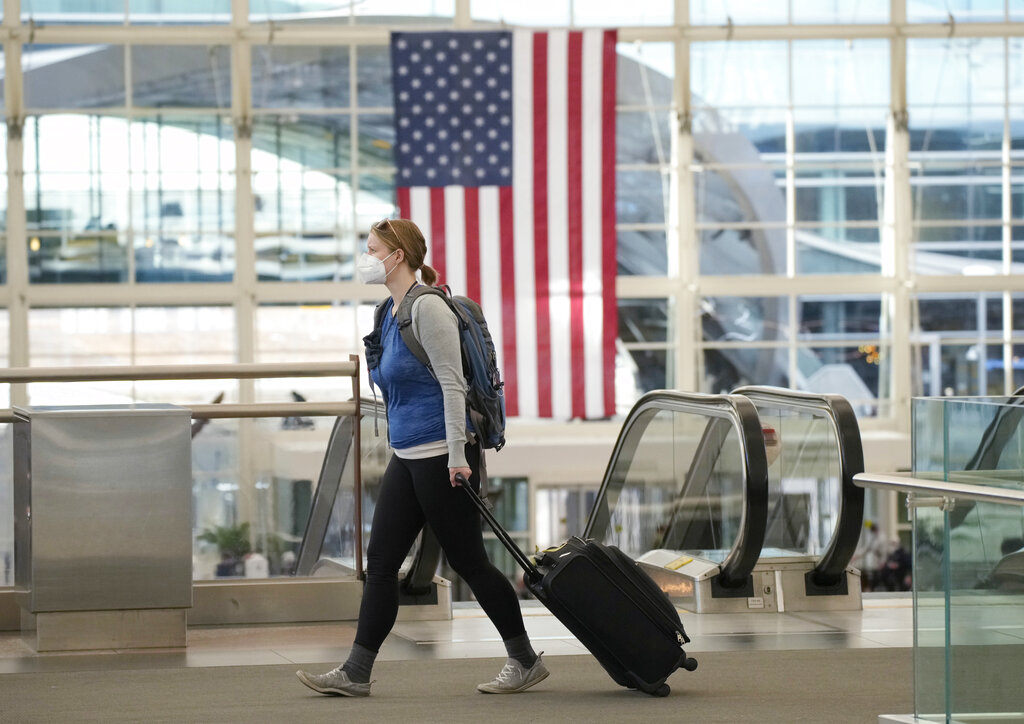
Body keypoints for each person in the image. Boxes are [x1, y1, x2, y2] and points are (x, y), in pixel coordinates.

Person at [295, 218, 549, 698]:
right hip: (407, 454)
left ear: (398, 256)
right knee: (383, 561)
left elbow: (452, 384)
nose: (366, 258)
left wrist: (458, 454)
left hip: (442, 454)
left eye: (372, 249)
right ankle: (356, 671)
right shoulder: (388, 312)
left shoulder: (427, 308)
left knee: (469, 561)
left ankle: (524, 658)